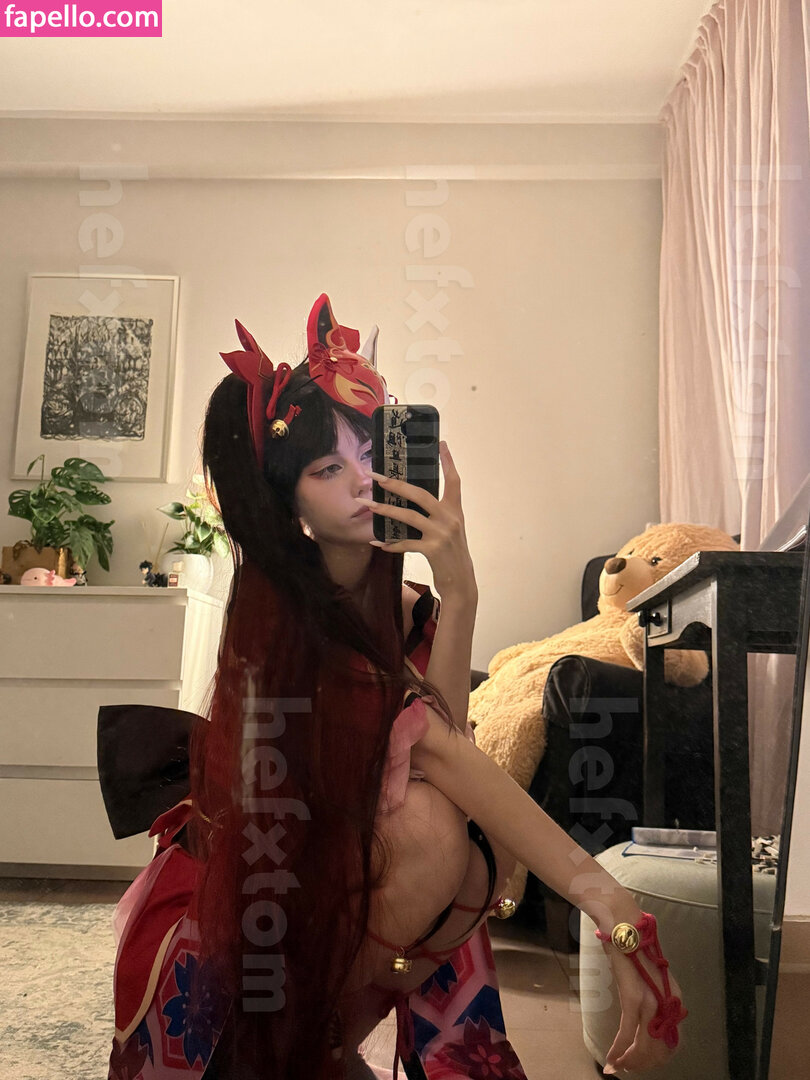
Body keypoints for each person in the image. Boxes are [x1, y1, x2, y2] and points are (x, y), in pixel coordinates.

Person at [107, 294, 686, 1080]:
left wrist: (460, 590)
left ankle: (332, 1043)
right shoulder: (280, 611)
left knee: (461, 838)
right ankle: (295, 1050)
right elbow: (439, 747)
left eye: (368, 455)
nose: (361, 482)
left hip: (341, 869)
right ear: (291, 504)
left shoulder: (407, 604)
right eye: (327, 469)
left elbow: (447, 742)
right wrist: (612, 906)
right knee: (437, 830)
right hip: (252, 900)